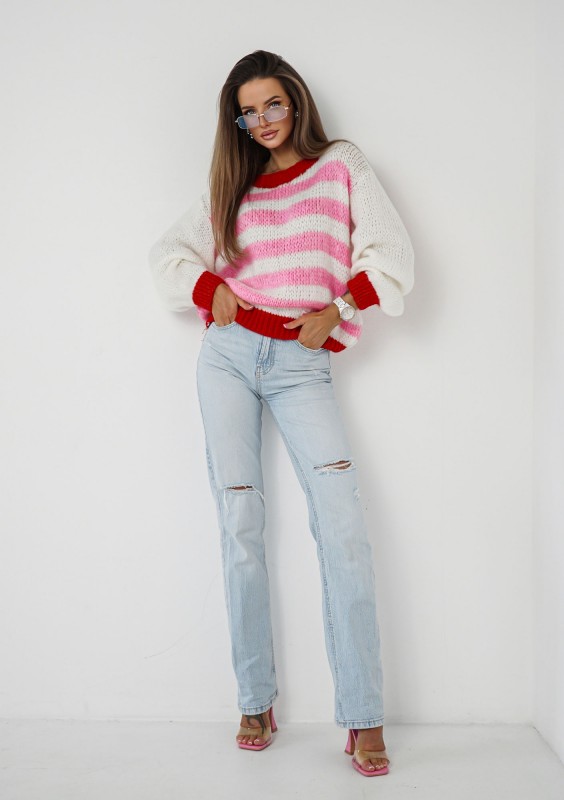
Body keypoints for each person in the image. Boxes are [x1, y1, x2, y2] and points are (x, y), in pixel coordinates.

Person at [148, 49, 414, 777]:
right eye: (248, 112)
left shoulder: (340, 165)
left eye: (272, 104)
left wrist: (343, 306)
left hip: (302, 364)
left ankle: (362, 713)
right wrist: (208, 289)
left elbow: (393, 252)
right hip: (228, 357)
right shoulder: (233, 186)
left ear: (294, 100)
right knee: (240, 523)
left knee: (343, 529)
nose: (263, 120)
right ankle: (255, 699)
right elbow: (167, 254)